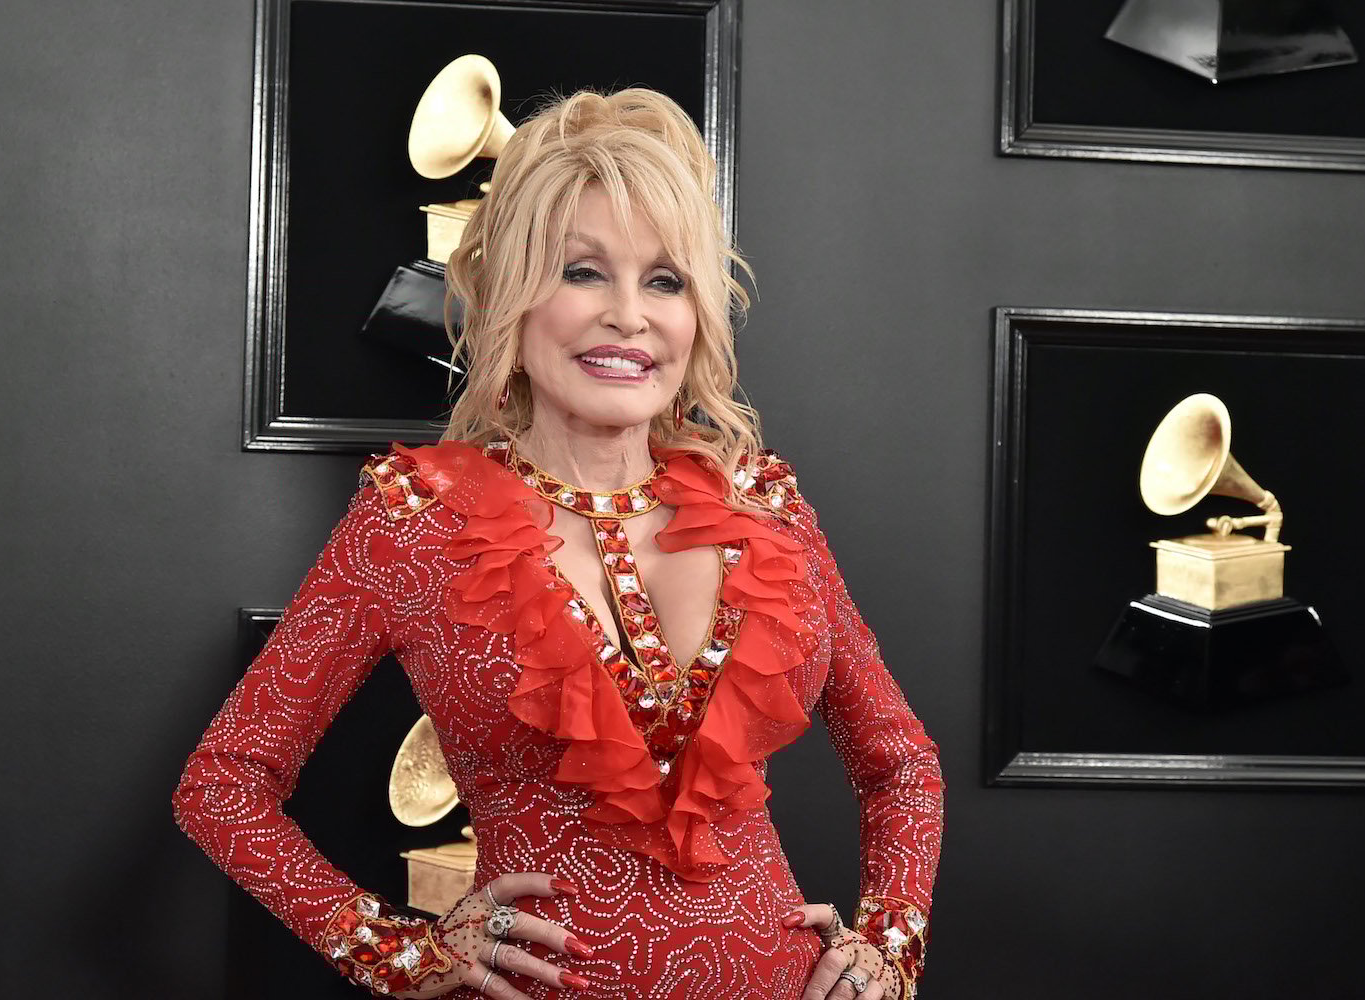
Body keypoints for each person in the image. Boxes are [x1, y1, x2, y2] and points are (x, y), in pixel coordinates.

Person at [173, 87, 944, 1000]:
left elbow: (902, 765)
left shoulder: (766, 508)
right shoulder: (413, 522)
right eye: (583, 272)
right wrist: (393, 951)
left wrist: (889, 942)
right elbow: (222, 783)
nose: (630, 315)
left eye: (665, 280)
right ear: (509, 295)